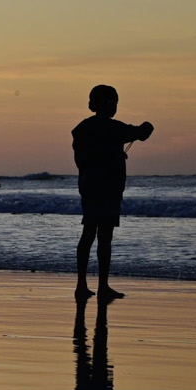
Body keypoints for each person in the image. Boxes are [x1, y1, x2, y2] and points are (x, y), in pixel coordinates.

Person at [71, 84, 153, 300]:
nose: (116, 106)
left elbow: (82, 159)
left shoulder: (81, 129)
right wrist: (147, 125)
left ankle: (81, 285)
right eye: (114, 102)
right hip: (107, 189)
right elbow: (141, 133)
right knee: (104, 237)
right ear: (106, 104)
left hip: (88, 188)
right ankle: (103, 286)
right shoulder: (113, 128)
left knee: (88, 233)